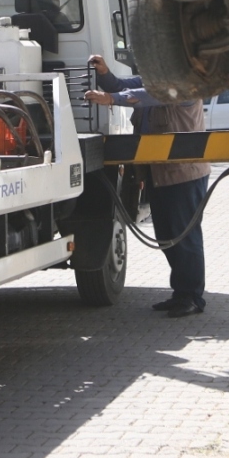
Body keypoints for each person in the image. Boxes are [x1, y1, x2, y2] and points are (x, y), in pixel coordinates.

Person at [83, 54, 208, 317]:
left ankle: (192, 297)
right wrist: (104, 73)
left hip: (183, 175)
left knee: (184, 235)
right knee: (166, 235)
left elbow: (148, 95)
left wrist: (111, 99)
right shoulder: (156, 81)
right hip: (158, 173)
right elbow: (121, 85)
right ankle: (181, 293)